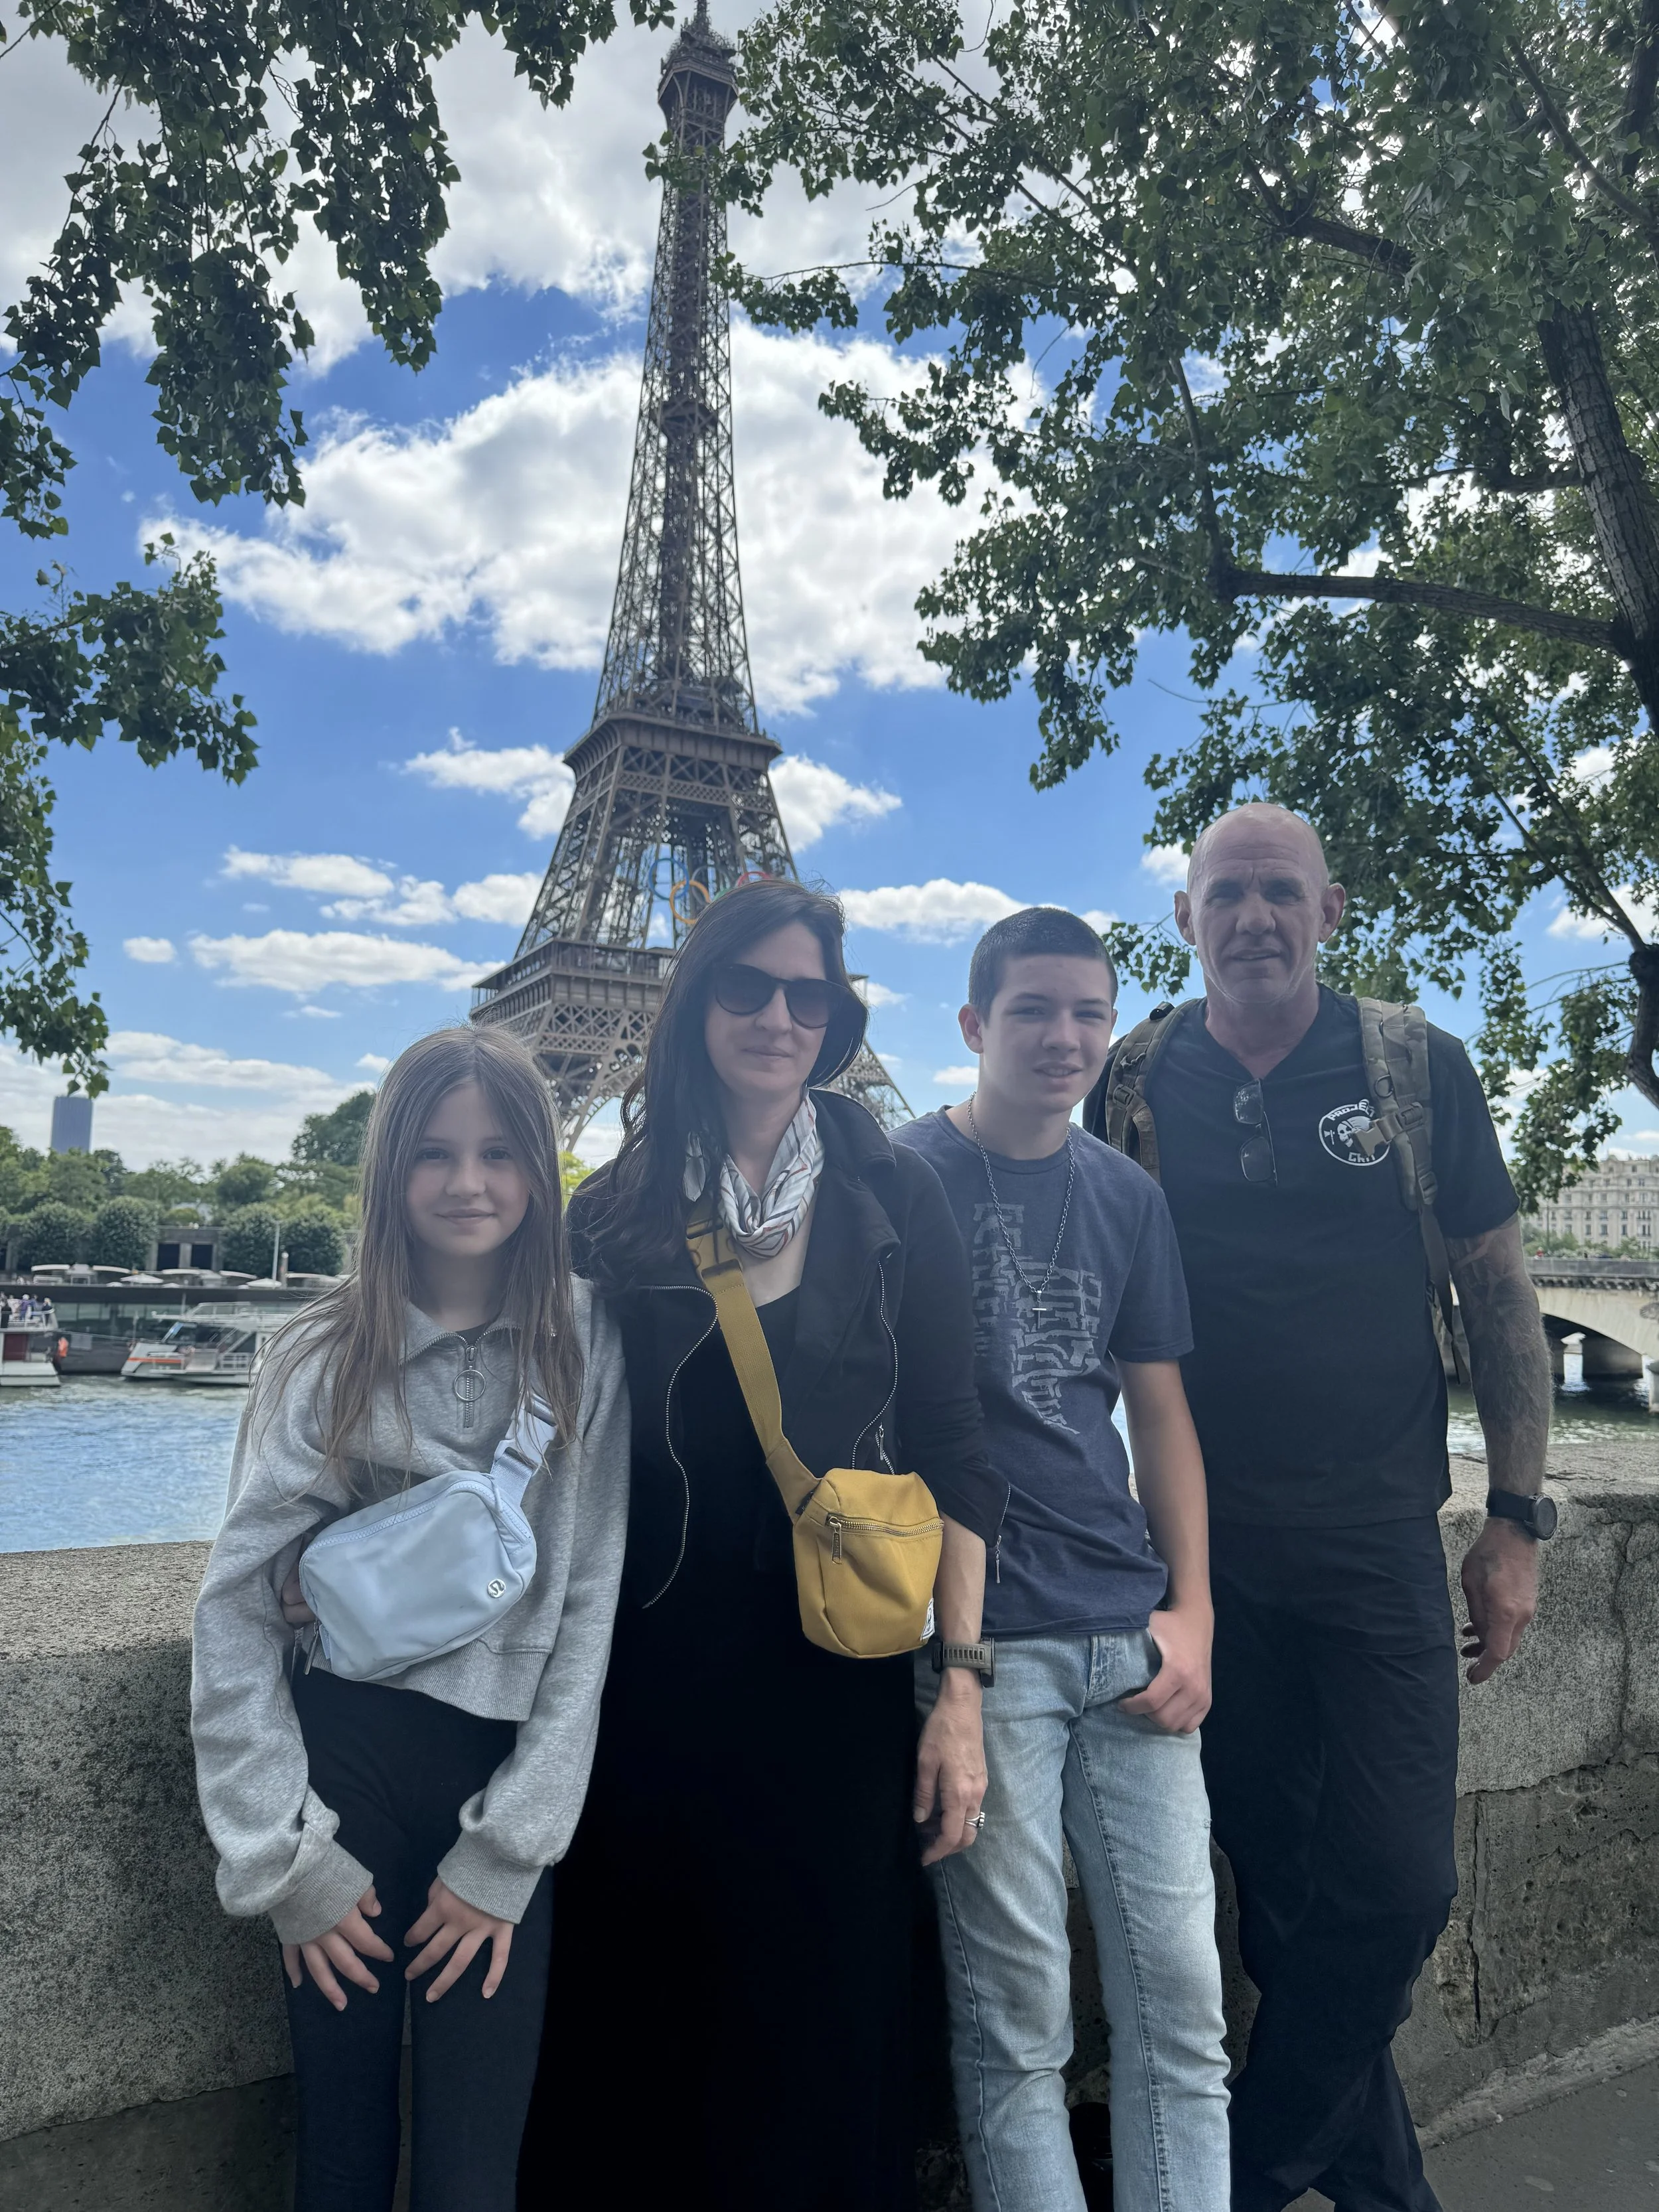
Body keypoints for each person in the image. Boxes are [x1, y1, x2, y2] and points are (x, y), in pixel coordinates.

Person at [1084, 804, 1553, 2212]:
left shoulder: (1414, 1066)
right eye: (1224, 893)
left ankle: (1226, 2175)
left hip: (1375, 1550)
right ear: (1183, 919)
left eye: (1278, 892)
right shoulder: (1130, 1084)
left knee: (1401, 1883)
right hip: (1198, 1562)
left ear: (1328, 908)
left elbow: (1496, 1292)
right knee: (1281, 1907)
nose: (1252, 917)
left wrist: (1517, 1515)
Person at [524, 876, 1008, 2212]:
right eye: (747, 987)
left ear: (835, 1018)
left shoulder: (892, 1196)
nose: (777, 1017)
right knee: (645, 2036)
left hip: (835, 1687)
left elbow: (961, 1453)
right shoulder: (611, 1214)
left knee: (820, 2038)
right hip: (647, 1690)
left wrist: (956, 1690)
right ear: (694, 1007)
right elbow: (533, 1450)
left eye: (809, 995)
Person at [191, 1026, 630, 2212]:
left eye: (498, 1153)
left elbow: (585, 1609)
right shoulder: (317, 1353)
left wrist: (509, 1850)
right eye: (435, 1154)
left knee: (471, 2172)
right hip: (339, 1783)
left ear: (542, 1171)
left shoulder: (588, 1343)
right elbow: (235, 1608)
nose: (469, 1183)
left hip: (499, 1790)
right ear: (391, 1173)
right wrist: (284, 1858)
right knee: (336, 2155)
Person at [897, 905, 1231, 2212]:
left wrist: (1190, 1609)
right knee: (1016, 2017)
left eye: (1088, 1011)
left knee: (1181, 2008)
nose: (1064, 1036)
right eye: (1032, 1010)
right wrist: (956, 1672)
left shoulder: (1125, 1196)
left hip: (1124, 1631)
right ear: (975, 1025)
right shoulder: (901, 1173)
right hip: (984, 1647)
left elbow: (1157, 1418)